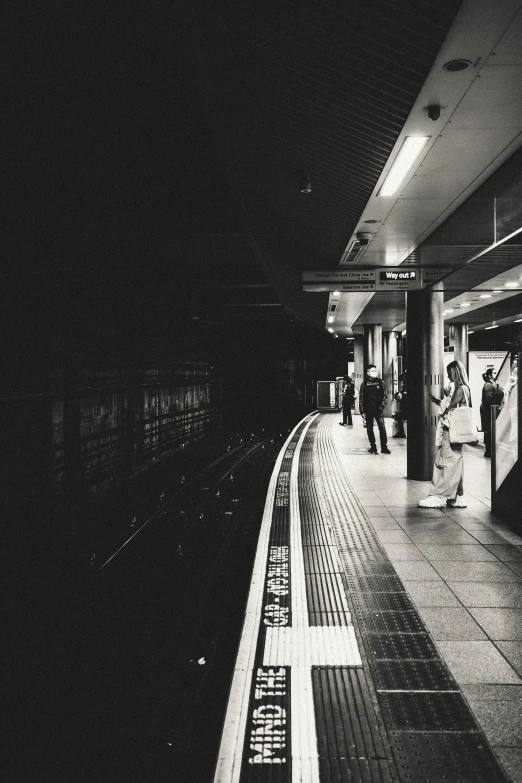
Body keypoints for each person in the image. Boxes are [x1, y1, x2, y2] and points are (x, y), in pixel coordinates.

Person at [418, 360, 471, 509]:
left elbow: (448, 409)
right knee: (456, 463)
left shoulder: (460, 389)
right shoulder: (466, 389)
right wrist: (444, 399)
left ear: (454, 372)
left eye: (449, 373)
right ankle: (459, 497)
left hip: (451, 431)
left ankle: (437, 496)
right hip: (459, 432)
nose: (448, 376)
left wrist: (446, 399)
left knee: (443, 462)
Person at [359, 364, 390, 454]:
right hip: (368, 410)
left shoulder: (381, 382)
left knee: (382, 428)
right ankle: (373, 446)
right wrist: (362, 411)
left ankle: (384, 447)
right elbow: (361, 398)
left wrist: (382, 406)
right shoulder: (364, 384)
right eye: (372, 371)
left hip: (378, 409)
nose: (375, 372)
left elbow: (385, 396)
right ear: (368, 372)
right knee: (369, 429)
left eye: (375, 370)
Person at [480, 368, 496, 458]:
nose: (496, 374)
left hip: (486, 410)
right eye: (494, 373)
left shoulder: (489, 385)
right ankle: (489, 451)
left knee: (488, 430)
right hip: (488, 411)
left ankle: (489, 451)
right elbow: (488, 400)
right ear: (490, 375)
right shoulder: (489, 386)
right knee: (488, 430)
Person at [392, 372, 407, 438]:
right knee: (397, 415)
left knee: (397, 416)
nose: (402, 383)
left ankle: (401, 432)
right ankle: (401, 432)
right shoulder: (404, 387)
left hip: (407, 409)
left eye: (403, 381)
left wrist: (401, 396)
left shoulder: (407, 388)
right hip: (404, 408)